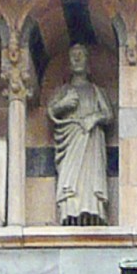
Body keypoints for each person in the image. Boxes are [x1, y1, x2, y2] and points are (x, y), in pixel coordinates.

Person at [49, 41, 113, 224]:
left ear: (88, 61)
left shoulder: (96, 91)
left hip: (91, 140)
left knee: (90, 178)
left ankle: (92, 212)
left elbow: (109, 114)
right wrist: (63, 104)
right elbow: (51, 112)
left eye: (81, 55)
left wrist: (94, 117)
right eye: (73, 56)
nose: (77, 59)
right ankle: (70, 212)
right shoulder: (63, 91)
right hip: (71, 141)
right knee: (70, 180)